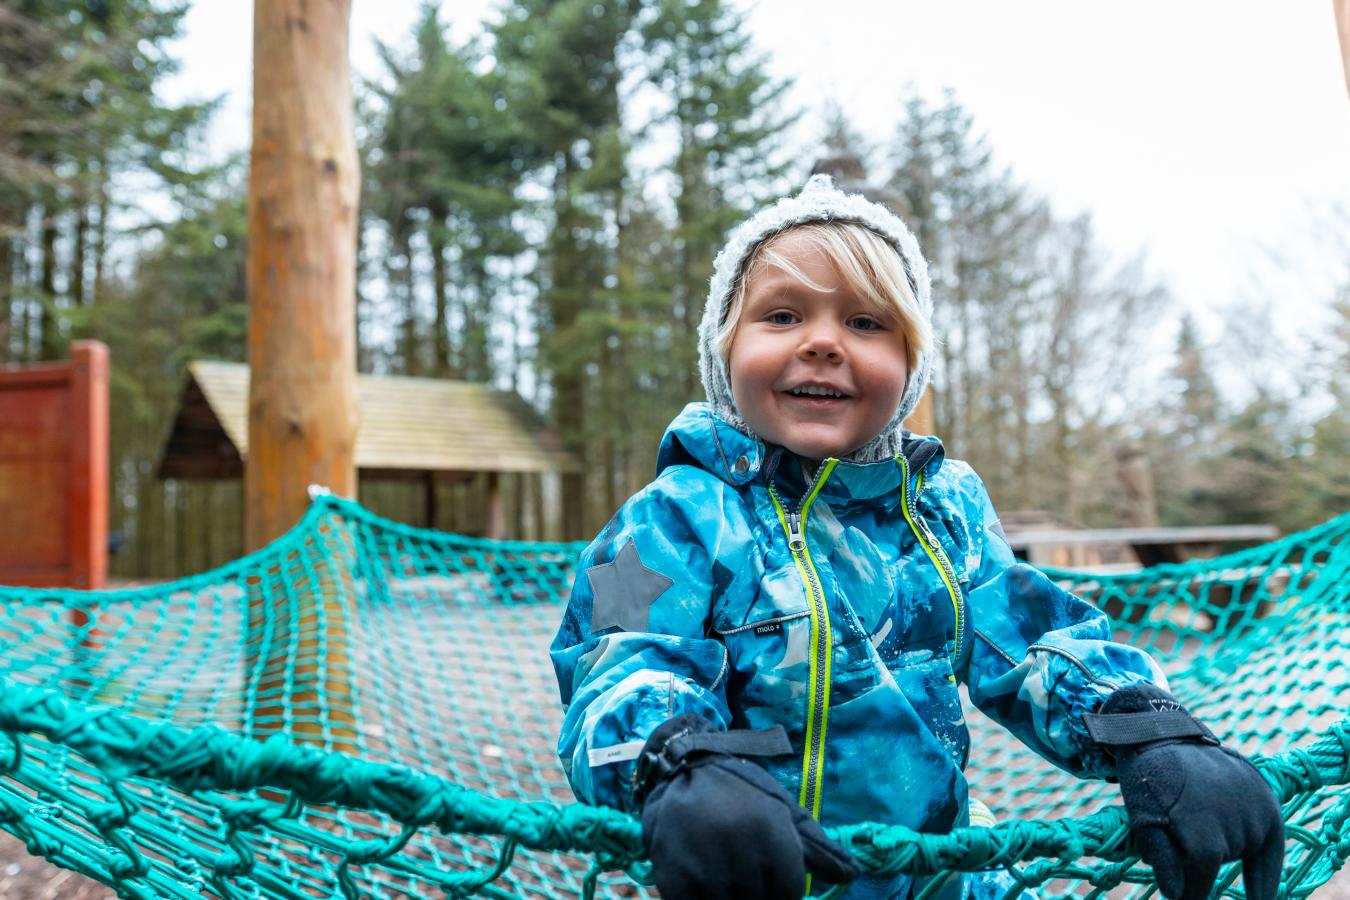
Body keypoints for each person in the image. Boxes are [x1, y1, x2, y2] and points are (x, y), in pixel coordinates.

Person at [549, 176, 1283, 900]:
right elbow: (618, 663)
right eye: (781, 316)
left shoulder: (944, 508)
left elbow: (1032, 641)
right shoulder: (668, 517)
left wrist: (1148, 729)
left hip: (941, 869)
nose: (823, 343)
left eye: (867, 323)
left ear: (910, 367)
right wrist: (679, 763)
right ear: (723, 352)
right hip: (753, 863)